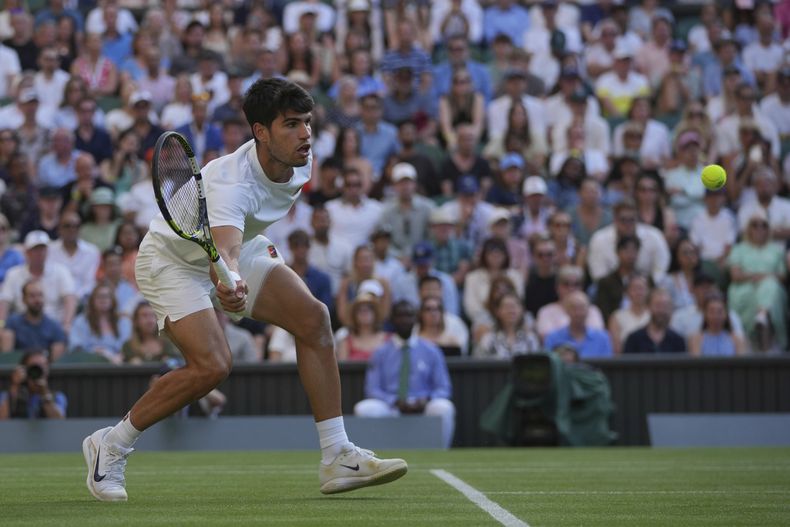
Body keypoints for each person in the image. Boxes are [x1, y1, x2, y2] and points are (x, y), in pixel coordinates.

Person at [82, 79, 407, 502]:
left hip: (238, 245)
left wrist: (231, 273)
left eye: (307, 123)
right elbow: (226, 245)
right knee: (213, 365)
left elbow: (237, 244)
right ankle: (111, 444)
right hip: (172, 260)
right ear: (261, 132)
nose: (305, 134)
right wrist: (228, 277)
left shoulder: (301, 158)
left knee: (314, 319)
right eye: (291, 124)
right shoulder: (232, 187)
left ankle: (337, 456)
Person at [354, 301, 455, 449]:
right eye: (400, 316)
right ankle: (373, 458)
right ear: (392, 319)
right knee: (364, 409)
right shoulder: (381, 352)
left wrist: (426, 399)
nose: (404, 320)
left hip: (423, 405)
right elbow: (372, 389)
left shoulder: (431, 351)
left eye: (408, 316)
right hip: (392, 406)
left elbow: (443, 388)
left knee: (444, 407)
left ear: (416, 318)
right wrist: (395, 401)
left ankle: (441, 453)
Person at [726, 212, 787, 352]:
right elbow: (735, 275)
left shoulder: (776, 250)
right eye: (755, 225)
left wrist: (756, 276)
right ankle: (762, 319)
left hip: (772, 289)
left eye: (764, 225)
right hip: (743, 288)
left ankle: (762, 315)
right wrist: (764, 276)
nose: (759, 228)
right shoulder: (738, 249)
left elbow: (782, 276)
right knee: (767, 287)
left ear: (768, 229)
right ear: (749, 228)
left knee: (770, 287)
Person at [0, 230, 77, 332]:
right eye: (35, 249)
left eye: (42, 249)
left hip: (53, 326)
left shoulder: (61, 271)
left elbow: (70, 299)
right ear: (26, 252)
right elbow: (4, 303)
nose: (39, 253)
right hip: (21, 327)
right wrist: (1, 326)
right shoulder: (13, 274)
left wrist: (67, 324)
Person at [1, 279, 67, 360]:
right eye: (32, 296)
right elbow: (7, 358)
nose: (37, 300)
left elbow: (57, 362)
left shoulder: (55, 326)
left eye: (40, 295)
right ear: (23, 299)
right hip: (18, 369)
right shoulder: (12, 323)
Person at [69, 282, 132, 363]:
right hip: (88, 363)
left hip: (117, 365)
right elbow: (77, 347)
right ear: (92, 300)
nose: (103, 299)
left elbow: (127, 348)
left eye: (107, 296)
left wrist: (113, 356)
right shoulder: (81, 321)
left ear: (113, 300)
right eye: (99, 297)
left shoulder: (123, 322)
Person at [47, 211, 101, 302]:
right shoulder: (49, 250)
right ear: (59, 229)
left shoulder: (92, 252)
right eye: (67, 226)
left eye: (76, 226)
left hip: (83, 301)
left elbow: (90, 283)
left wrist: (73, 298)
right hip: (54, 300)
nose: (72, 229)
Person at [544, 291, 614, 359]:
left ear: (588, 310)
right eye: (574, 308)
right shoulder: (553, 338)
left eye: (582, 308)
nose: (578, 313)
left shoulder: (602, 338)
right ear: (566, 310)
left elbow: (608, 367)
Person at [0, 351, 66, 419]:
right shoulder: (8, 394)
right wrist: (14, 386)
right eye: (34, 367)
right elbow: (2, 420)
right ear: (25, 369)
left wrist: (45, 394)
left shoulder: (57, 396)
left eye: (42, 366)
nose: (38, 370)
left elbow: (59, 423)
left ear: (47, 370)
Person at [474, 292, 540, 359]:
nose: (511, 310)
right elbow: (479, 364)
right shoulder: (488, 340)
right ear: (498, 311)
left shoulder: (530, 339)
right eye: (506, 306)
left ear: (522, 310)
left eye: (514, 306)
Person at [622, 288, 687, 354]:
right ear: (648, 307)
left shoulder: (678, 341)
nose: (662, 310)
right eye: (658, 305)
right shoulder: (634, 339)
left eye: (665, 306)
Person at [335, 292, 390, 362]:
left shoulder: (388, 340)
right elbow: (342, 370)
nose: (365, 311)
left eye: (369, 308)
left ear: (376, 313)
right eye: (359, 309)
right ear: (354, 315)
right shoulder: (346, 342)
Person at [689, 293, 747, 357]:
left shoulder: (736, 339)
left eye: (720, 311)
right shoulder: (697, 339)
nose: (716, 316)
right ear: (705, 314)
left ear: (726, 314)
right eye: (711, 311)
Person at [607, 274, 651, 355]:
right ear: (627, 292)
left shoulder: (654, 315)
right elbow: (616, 349)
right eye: (634, 289)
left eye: (641, 288)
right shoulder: (617, 316)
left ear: (648, 291)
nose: (638, 292)